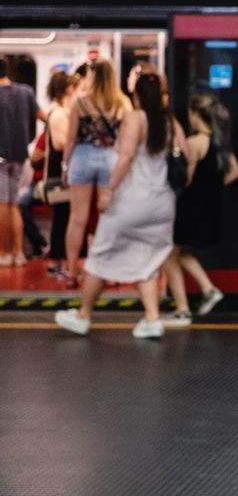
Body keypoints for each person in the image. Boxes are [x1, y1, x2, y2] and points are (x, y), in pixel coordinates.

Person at [54, 72, 189, 339]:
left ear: (136, 95)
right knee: (148, 261)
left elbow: (126, 157)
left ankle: (83, 315)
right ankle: (151, 319)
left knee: (100, 256)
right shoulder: (170, 122)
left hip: (132, 201)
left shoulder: (136, 119)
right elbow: (185, 157)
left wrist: (109, 191)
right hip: (163, 204)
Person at [161, 94, 238, 326]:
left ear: (195, 115)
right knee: (179, 252)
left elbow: (186, 180)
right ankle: (207, 290)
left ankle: (183, 310)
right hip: (208, 206)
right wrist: (213, 187)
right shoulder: (220, 142)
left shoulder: (194, 143)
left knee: (169, 255)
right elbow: (235, 172)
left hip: (189, 206)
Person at [62, 59, 131, 284]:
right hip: (110, 158)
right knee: (106, 218)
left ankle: (72, 272)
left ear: (92, 75)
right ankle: (106, 273)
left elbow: (70, 138)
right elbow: (126, 139)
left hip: (82, 157)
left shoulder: (80, 102)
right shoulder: (122, 103)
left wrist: (65, 166)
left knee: (77, 218)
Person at [0, 57, 39, 267]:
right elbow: (43, 116)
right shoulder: (26, 92)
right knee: (14, 204)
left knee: (2, 205)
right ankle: (18, 253)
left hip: (1, 157)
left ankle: (4, 253)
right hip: (20, 156)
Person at [43, 70, 76, 279]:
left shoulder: (59, 111)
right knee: (62, 217)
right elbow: (61, 143)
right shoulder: (58, 114)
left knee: (63, 216)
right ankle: (57, 260)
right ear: (67, 90)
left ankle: (61, 260)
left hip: (60, 168)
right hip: (60, 170)